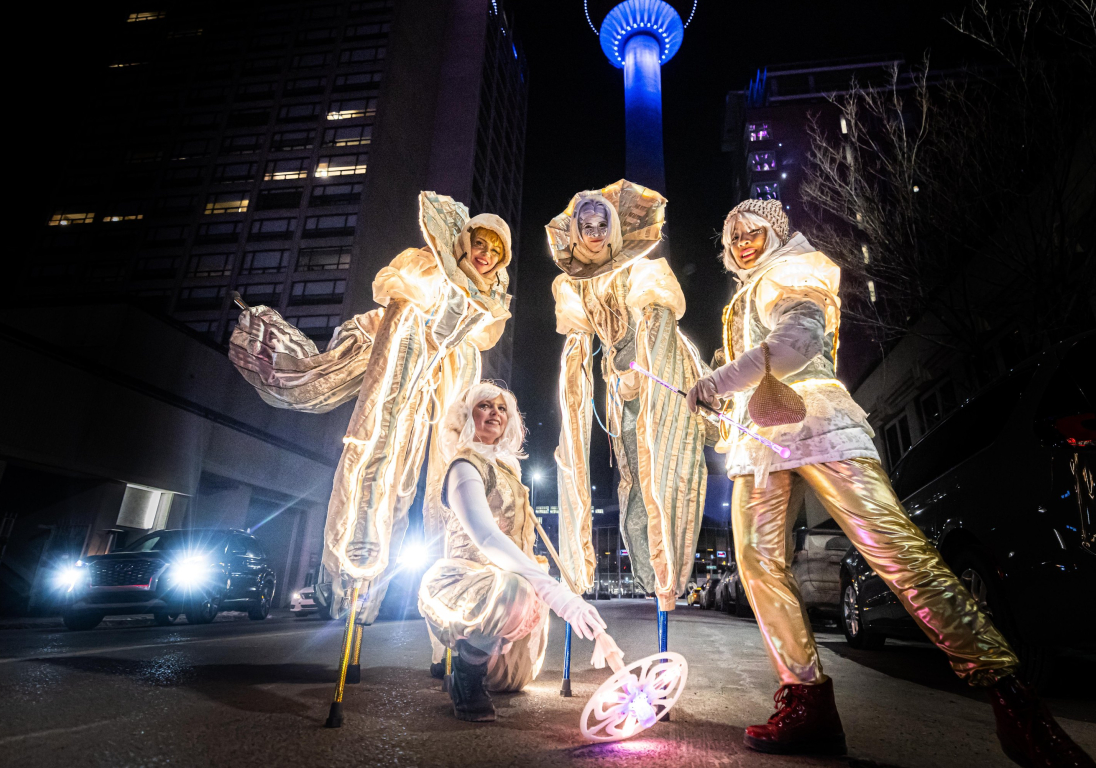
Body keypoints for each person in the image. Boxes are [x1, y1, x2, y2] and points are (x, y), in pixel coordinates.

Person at [687, 198, 1093, 766]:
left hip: (823, 424)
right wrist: (716, 394)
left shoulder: (794, 271)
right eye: (733, 235)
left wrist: (719, 381)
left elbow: (797, 346)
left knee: (896, 549)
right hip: (760, 446)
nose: (743, 241)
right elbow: (752, 378)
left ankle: (1014, 699)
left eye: (755, 230)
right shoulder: (744, 298)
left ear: (777, 235)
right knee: (757, 565)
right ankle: (806, 701)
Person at [229, 192, 513, 627]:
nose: (486, 255)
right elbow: (402, 318)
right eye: (481, 243)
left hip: (435, 391)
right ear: (465, 242)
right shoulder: (428, 269)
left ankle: (448, 613)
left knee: (444, 480)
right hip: (399, 366)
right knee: (378, 464)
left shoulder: (487, 301)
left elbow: (464, 356)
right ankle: (353, 579)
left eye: (496, 251)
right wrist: (404, 365)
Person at [546, 179, 712, 612]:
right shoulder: (574, 286)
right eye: (587, 223)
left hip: (658, 368)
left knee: (665, 464)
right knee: (634, 473)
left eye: (604, 222)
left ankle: (667, 573)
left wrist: (640, 368)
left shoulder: (640, 269)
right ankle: (648, 568)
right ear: (576, 231)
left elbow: (656, 321)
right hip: (620, 380)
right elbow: (578, 343)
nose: (596, 229)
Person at [418, 382, 608, 722]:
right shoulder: (464, 466)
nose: (494, 412)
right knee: (515, 589)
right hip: (471, 583)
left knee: (512, 682)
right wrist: (557, 595)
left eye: (501, 408)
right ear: (466, 415)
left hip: (509, 582)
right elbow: (488, 538)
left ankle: (485, 655)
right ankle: (465, 672)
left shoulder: (508, 470)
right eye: (484, 406)